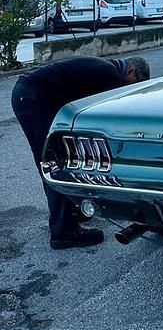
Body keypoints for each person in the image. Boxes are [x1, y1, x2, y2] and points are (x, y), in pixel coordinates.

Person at [12, 56, 150, 249]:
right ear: (131, 72)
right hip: (33, 99)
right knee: (55, 163)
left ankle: (68, 214)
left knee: (62, 159)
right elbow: (103, 120)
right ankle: (63, 231)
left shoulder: (105, 68)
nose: (128, 92)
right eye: (133, 85)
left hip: (32, 95)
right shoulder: (110, 75)